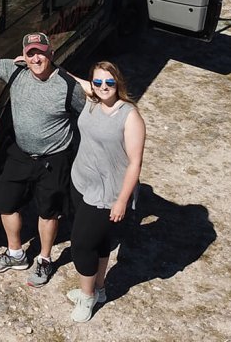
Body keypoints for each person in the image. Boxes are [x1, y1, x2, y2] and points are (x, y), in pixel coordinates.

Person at [0, 20, 88, 287]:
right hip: (20, 154)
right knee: (5, 204)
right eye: (31, 53)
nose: (36, 58)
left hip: (54, 159)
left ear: (51, 54)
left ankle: (44, 259)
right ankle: (16, 253)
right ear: (24, 55)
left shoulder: (68, 86)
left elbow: (88, 114)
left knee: (48, 213)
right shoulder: (14, 70)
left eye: (41, 52)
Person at [67, 61, 144, 323]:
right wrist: (41, 64)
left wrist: (122, 200)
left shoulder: (129, 115)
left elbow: (135, 162)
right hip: (81, 182)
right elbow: (75, 78)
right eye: (98, 82)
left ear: (118, 83)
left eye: (109, 83)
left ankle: (86, 297)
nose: (103, 87)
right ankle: (98, 289)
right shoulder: (92, 98)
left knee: (81, 245)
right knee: (99, 241)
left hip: (107, 192)